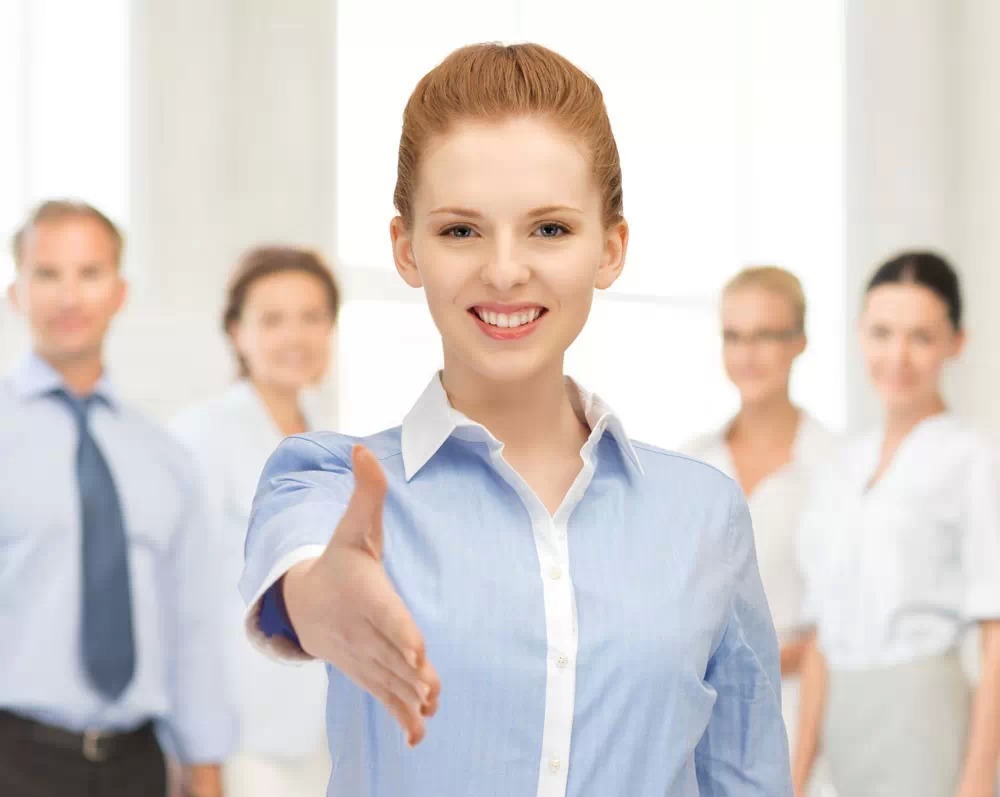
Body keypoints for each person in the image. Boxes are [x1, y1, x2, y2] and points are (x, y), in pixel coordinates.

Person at [239, 42, 793, 796]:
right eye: (460, 230)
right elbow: (304, 576)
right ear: (407, 249)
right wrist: (318, 601)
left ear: (611, 248)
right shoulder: (332, 480)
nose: (504, 270)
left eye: (550, 229)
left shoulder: (705, 515)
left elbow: (746, 775)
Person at [0, 199, 236, 797]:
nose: (69, 296)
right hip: (13, 757)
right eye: (47, 274)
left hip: (138, 764)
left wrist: (206, 768)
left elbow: (190, 627)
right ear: (15, 293)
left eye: (89, 273)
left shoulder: (164, 457)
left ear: (119, 292)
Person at [792, 252, 1000, 797]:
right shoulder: (840, 467)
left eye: (922, 337)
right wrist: (796, 776)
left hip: (925, 716)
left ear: (957, 342)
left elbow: (996, 633)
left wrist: (979, 780)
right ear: (860, 334)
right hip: (845, 720)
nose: (897, 356)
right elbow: (821, 638)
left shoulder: (974, 458)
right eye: (881, 333)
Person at [171, 245, 338, 796]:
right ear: (236, 332)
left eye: (311, 317)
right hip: (242, 735)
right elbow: (181, 603)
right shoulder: (202, 435)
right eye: (272, 319)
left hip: (325, 726)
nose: (295, 336)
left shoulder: (332, 437)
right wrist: (199, 752)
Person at [682, 267, 838, 762]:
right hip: (705, 717)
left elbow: (833, 627)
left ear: (799, 343)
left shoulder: (835, 466)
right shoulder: (693, 463)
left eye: (765, 336)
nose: (747, 354)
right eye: (734, 336)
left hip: (804, 715)